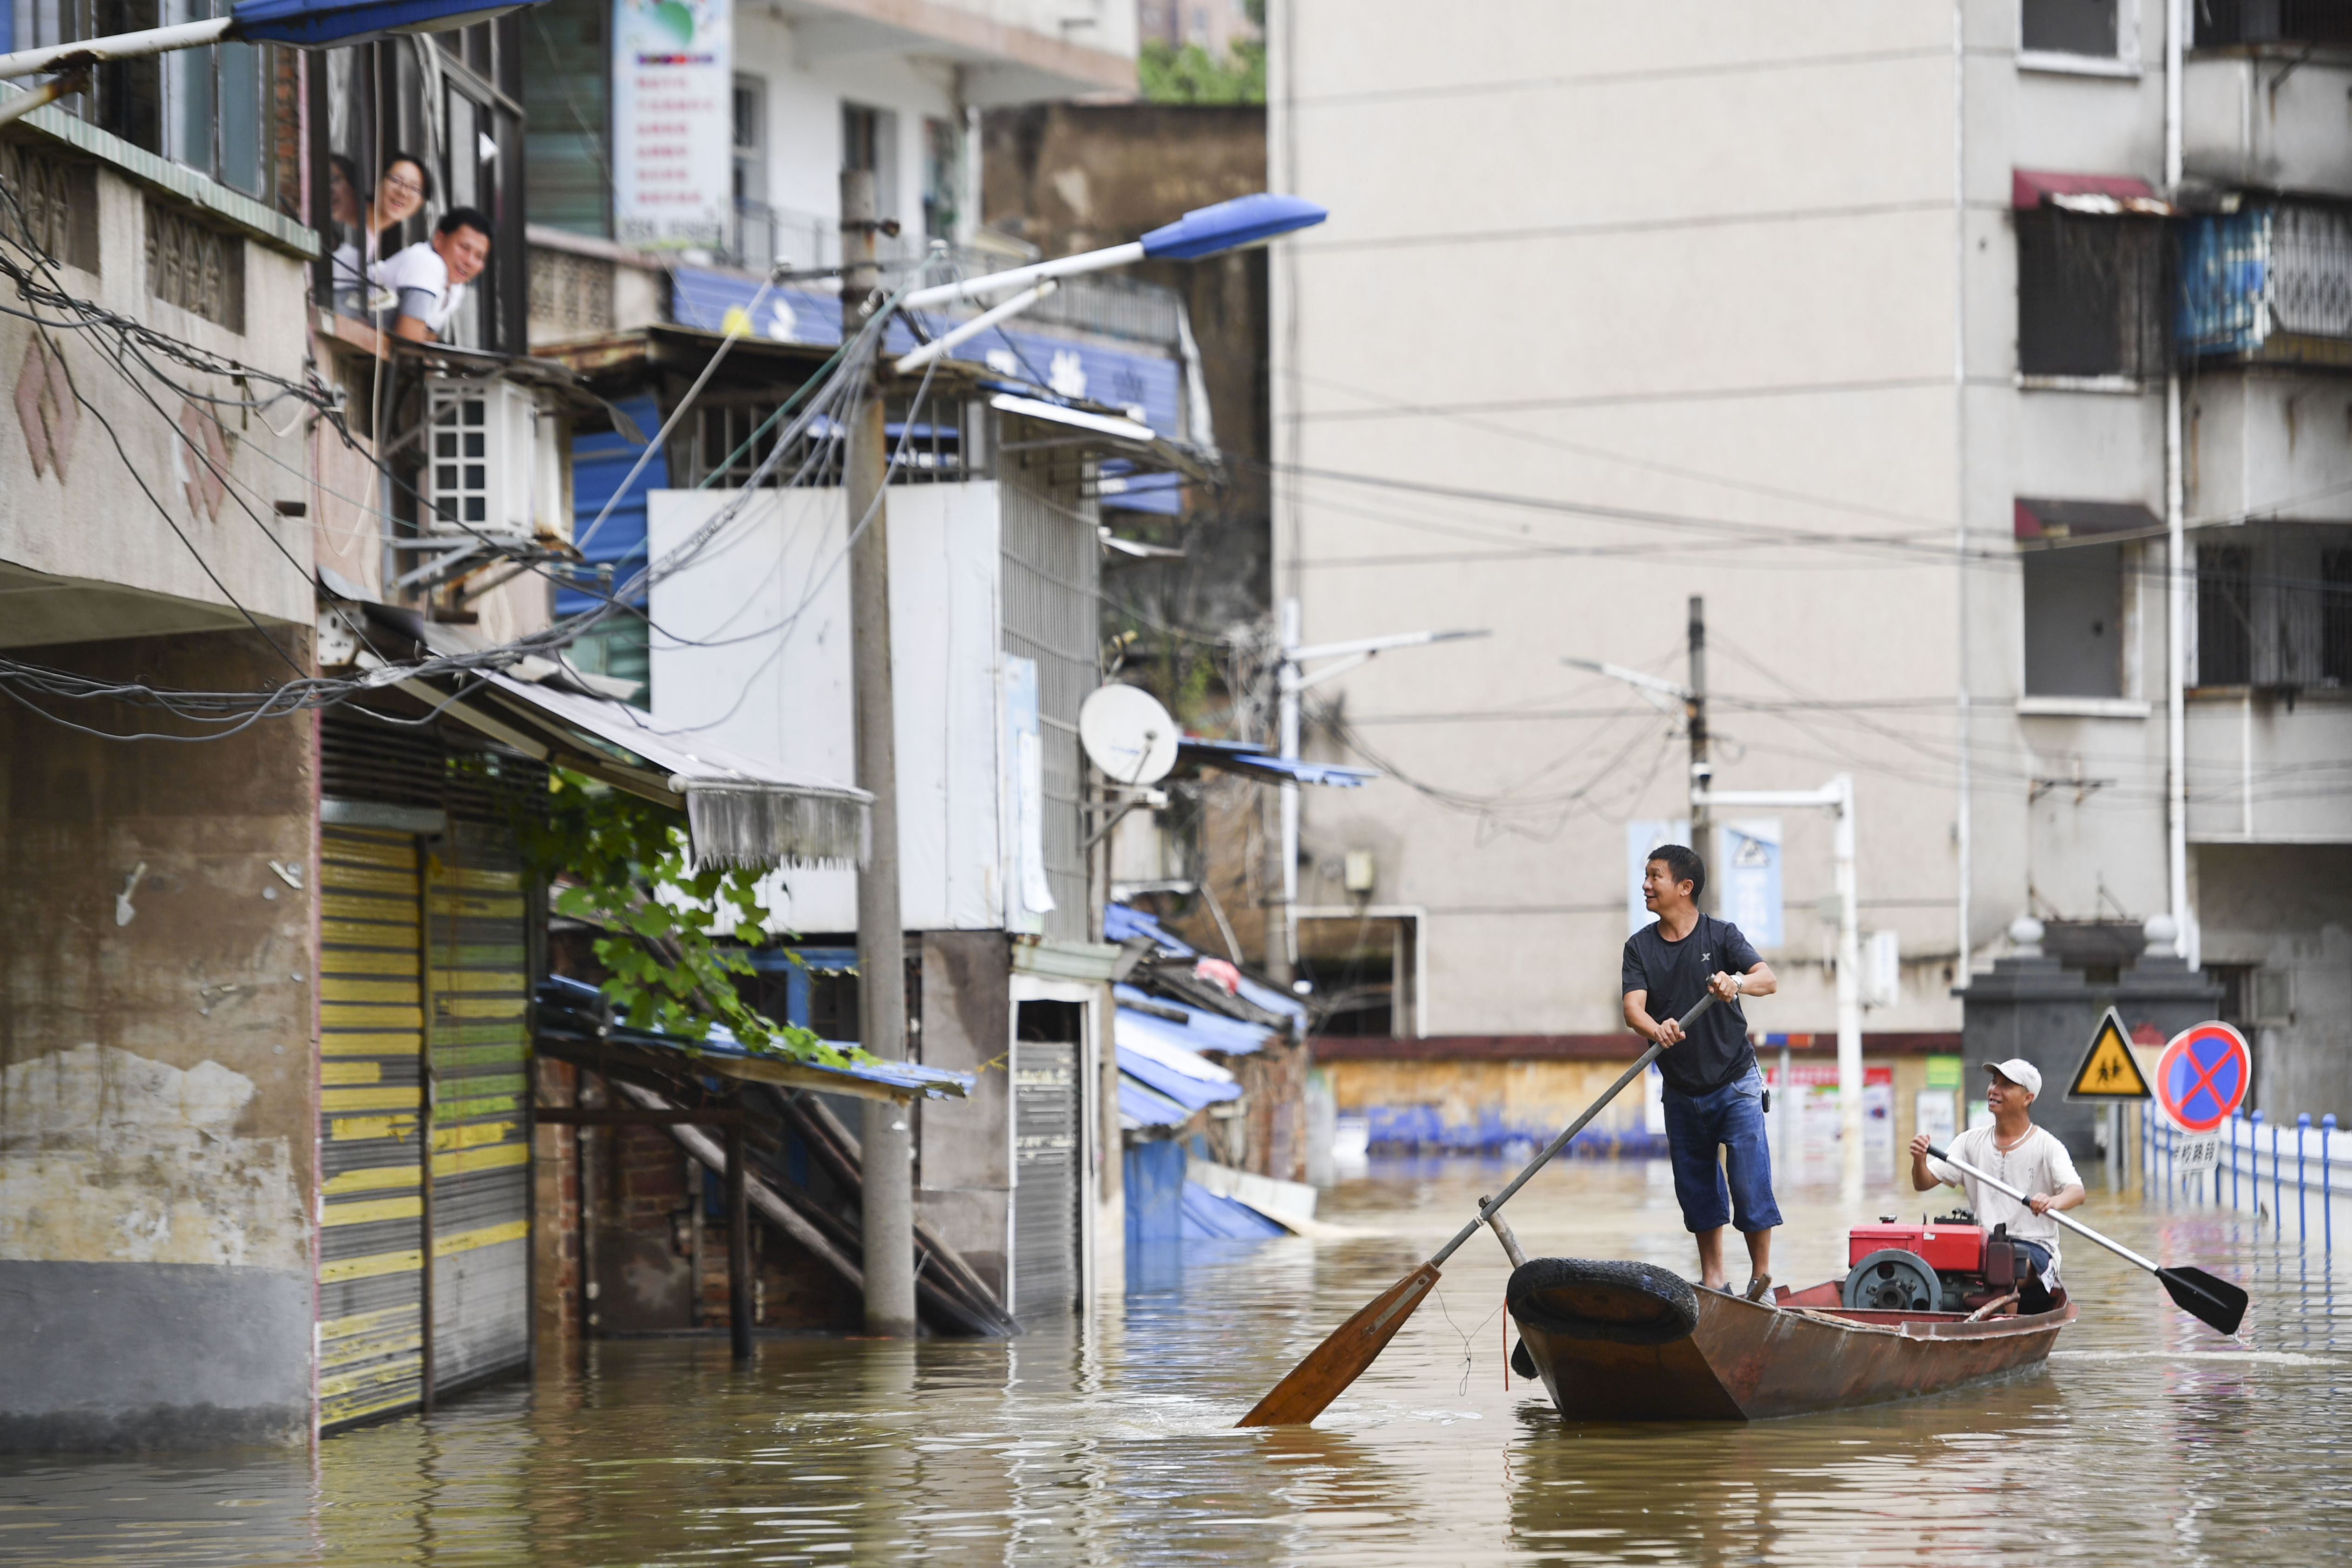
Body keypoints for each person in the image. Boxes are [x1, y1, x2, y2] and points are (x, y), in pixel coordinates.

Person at [1622, 843, 1782, 1298]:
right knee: (1696, 1188)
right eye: (1646, 876)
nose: (1645, 885)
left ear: (1684, 887)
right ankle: (1714, 1279)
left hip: (1735, 1082)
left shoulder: (1720, 935)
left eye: (1654, 876)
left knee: (1750, 1181)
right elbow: (1633, 1010)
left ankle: (1760, 1280)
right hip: (1680, 1090)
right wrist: (1658, 1029)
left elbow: (1766, 979)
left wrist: (1736, 983)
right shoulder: (1639, 948)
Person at [1907, 1058, 2084, 1312]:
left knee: (2003, 1265)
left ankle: (2005, 1332)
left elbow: (2077, 1193)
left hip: (2034, 1247)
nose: (1994, 1090)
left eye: (2006, 1085)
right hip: (1983, 1242)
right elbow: (1923, 1183)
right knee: (1935, 1253)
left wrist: (2052, 1201)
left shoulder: (2049, 1146)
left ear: (2027, 1098)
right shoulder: (1969, 1141)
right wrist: (1919, 1160)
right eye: (1994, 1082)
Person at [328, 151, 431, 318]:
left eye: (414, 188)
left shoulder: (371, 238)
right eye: (396, 181)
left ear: (421, 203)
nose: (402, 192)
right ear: (378, 181)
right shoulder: (346, 222)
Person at [374, 207, 492, 342]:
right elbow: (408, 340)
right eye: (464, 248)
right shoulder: (427, 263)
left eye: (480, 256)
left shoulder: (456, 289)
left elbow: (428, 337)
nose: (470, 262)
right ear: (439, 239)